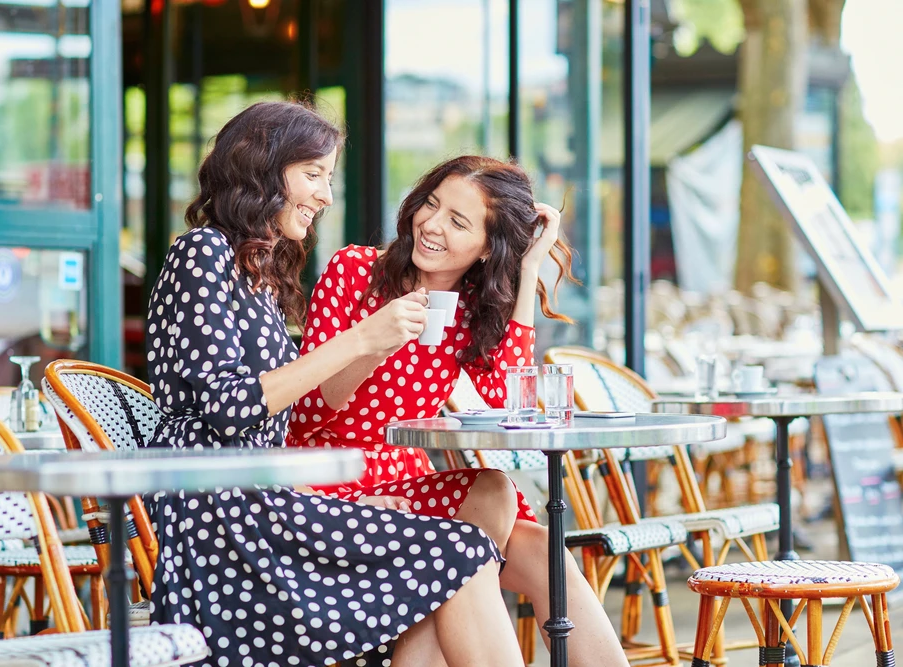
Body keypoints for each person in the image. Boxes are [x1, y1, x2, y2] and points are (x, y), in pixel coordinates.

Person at [143, 102, 526, 667]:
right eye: (313, 174)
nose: (325, 195)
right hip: (215, 506)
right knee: (460, 554)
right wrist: (362, 340)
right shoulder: (203, 252)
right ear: (264, 170)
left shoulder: (257, 272)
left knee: (459, 550)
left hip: (262, 495)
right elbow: (228, 408)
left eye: (329, 177)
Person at [288, 155, 630, 666]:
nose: (431, 225)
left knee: (535, 543)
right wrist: (375, 342)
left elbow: (501, 404)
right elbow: (310, 413)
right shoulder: (356, 271)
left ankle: (430, 622)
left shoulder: (473, 306)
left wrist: (527, 268)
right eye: (431, 204)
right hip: (328, 480)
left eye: (458, 221)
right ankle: (435, 621)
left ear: (488, 246)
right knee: (495, 501)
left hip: (409, 482)